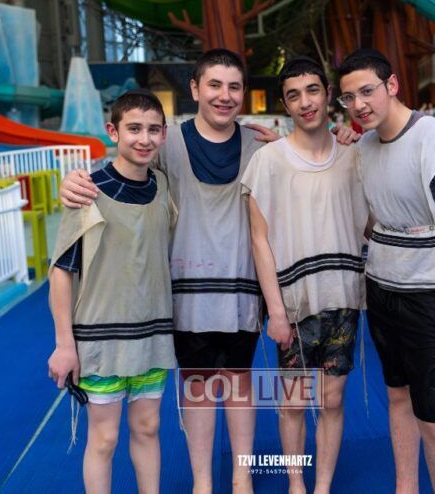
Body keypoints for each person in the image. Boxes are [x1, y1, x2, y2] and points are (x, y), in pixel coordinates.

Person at [58, 49, 359, 494]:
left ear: (244, 93)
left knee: (241, 385)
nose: (224, 95)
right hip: (186, 297)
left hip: (244, 292)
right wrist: (75, 180)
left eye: (234, 87)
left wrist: (343, 134)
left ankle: (241, 479)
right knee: (197, 387)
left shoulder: (260, 145)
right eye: (214, 85)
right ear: (195, 89)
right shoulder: (167, 145)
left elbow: (307, 151)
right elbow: (124, 167)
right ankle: (203, 482)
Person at [337, 49, 435, 494]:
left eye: (367, 91)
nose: (359, 104)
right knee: (397, 395)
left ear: (392, 85)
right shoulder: (364, 147)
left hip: (434, 293)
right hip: (382, 286)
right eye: (348, 97)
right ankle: (405, 487)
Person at [241, 56, 369, 494]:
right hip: (294, 306)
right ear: (285, 104)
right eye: (294, 95)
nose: (305, 102)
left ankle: (323, 486)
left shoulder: (355, 156)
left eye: (313, 90)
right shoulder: (268, 161)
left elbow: (371, 222)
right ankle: (296, 483)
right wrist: (275, 312)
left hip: (343, 299)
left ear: (329, 94)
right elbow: (259, 241)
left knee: (332, 400)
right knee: (294, 402)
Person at [47, 89, 177, 494]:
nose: (144, 138)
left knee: (148, 427)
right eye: (134, 128)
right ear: (113, 131)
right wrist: (64, 345)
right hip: (100, 338)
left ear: (164, 134)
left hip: (152, 334)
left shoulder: (163, 186)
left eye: (153, 130)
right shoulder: (87, 191)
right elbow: (61, 272)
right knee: (104, 439)